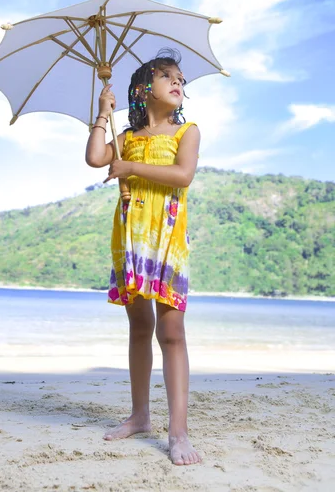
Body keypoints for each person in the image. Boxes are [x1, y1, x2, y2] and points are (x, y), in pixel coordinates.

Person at [85, 49, 202, 466]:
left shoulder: (186, 132)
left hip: (166, 242)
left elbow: (182, 175)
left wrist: (131, 167)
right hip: (133, 241)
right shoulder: (128, 135)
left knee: (171, 332)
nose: (178, 82)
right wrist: (102, 111)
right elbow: (95, 157)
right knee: (139, 328)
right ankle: (139, 415)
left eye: (181, 79)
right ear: (142, 88)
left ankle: (179, 431)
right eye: (167, 75)